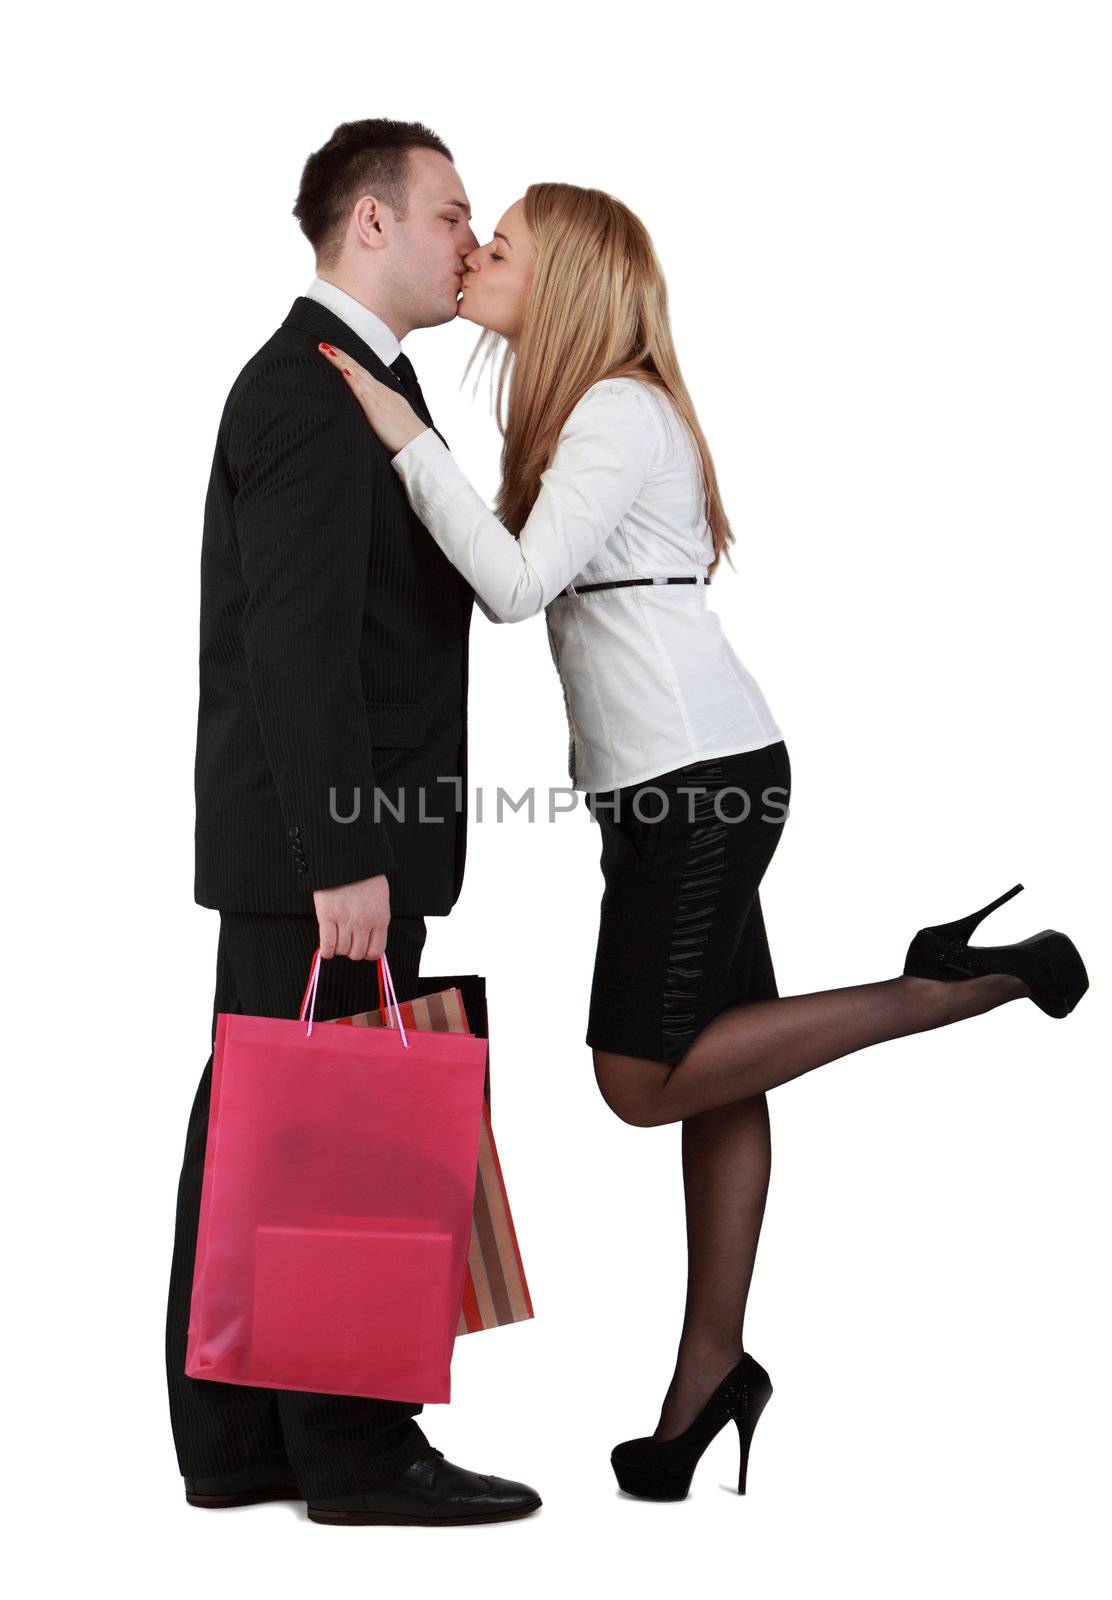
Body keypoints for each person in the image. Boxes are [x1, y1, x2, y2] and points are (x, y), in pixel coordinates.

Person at [317, 180, 1090, 1502]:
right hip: (685, 776)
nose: (476, 259)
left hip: (695, 781)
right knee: (723, 1076)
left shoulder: (615, 410)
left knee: (638, 1074)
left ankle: (950, 985)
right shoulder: (588, 412)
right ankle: (705, 1383)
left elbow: (513, 591)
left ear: (559, 282)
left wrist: (399, 434)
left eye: (498, 247)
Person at [166, 118, 541, 1527]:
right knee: (329, 1137)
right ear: (369, 226)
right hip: (324, 850)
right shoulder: (312, 392)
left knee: (258, 1129)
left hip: (313, 844)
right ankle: (356, 1453)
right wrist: (347, 855)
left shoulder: (350, 384)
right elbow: (299, 650)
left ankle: (244, 1443)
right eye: (451, 214)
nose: (469, 240)